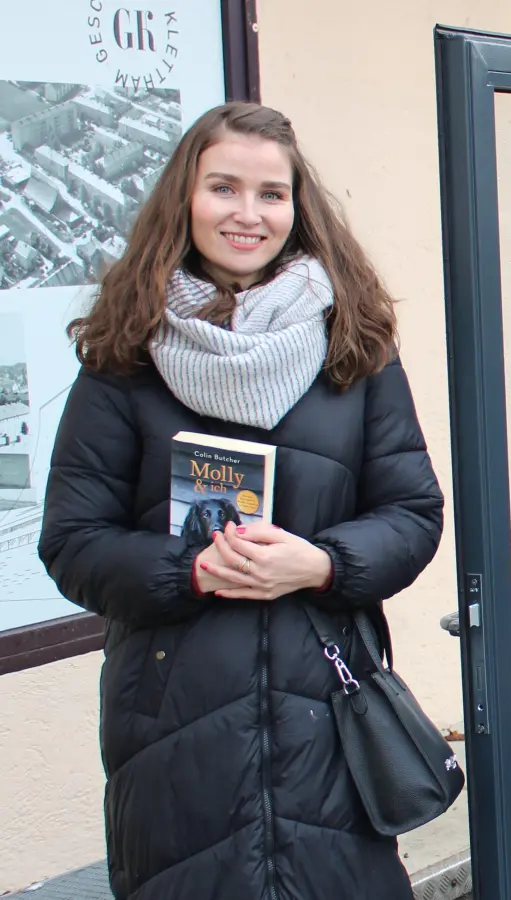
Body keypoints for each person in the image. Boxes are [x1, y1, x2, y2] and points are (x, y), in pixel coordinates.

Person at [37, 101, 444, 900]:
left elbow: (413, 513)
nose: (247, 214)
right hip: (173, 724)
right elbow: (74, 541)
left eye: (271, 193)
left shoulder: (354, 346)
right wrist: (192, 572)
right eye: (224, 188)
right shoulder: (126, 354)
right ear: (184, 200)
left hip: (328, 711)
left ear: (297, 210)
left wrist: (322, 563)